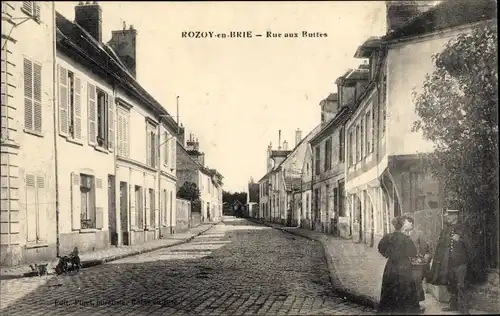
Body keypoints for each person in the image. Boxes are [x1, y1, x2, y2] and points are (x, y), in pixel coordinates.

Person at [427, 209, 472, 314]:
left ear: (455, 216)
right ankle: (453, 305)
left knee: (461, 285)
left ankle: (464, 309)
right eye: (446, 214)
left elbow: (470, 244)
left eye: (449, 214)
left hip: (460, 262)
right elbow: (440, 246)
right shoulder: (445, 230)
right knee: (450, 284)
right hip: (447, 262)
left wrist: (460, 239)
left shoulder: (464, 228)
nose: (446, 216)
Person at [377, 216, 422, 315]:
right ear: (402, 227)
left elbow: (380, 248)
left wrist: (387, 255)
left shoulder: (388, 237)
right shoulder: (406, 239)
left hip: (391, 266)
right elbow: (413, 253)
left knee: (389, 290)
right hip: (404, 267)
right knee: (405, 290)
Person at [404, 214, 432, 304]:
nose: (404, 224)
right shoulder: (403, 234)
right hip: (405, 263)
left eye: (405, 222)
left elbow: (423, 247)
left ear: (411, 223)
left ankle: (417, 303)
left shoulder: (419, 233)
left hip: (416, 263)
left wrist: (419, 257)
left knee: (416, 281)